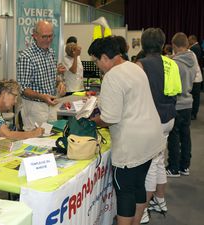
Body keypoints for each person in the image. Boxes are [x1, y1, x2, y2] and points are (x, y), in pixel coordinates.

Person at [88, 36, 164, 225]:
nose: (97, 65)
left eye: (96, 61)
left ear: (105, 57)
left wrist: (91, 121)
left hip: (132, 145)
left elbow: (109, 118)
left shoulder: (112, 76)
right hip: (151, 138)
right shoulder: (134, 67)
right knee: (138, 185)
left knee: (125, 192)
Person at [136, 28, 179, 224]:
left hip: (152, 120)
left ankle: (143, 209)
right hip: (169, 117)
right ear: (162, 44)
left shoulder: (141, 65)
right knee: (159, 159)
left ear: (143, 44)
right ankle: (160, 200)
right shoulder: (171, 63)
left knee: (150, 165)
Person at [17, 21, 66, 131]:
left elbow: (52, 77)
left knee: (51, 138)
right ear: (34, 35)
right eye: (44, 36)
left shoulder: (51, 52)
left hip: (51, 104)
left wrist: (60, 83)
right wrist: (42, 97)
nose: (48, 40)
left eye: (50, 36)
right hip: (35, 107)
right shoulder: (26, 57)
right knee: (36, 141)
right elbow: (23, 89)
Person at [0, 79, 44, 147]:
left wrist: (30, 133)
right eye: (14, 96)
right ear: (4, 93)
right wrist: (33, 134)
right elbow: (7, 135)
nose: (15, 101)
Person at [166, 32, 197, 177]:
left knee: (174, 137)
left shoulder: (175, 64)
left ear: (174, 46)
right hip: (188, 102)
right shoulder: (192, 60)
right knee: (186, 136)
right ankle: (185, 166)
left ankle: (173, 167)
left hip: (177, 104)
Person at [188, 35, 203, 120]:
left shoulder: (193, 50)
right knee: (195, 97)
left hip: (195, 78)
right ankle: (193, 113)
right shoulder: (196, 48)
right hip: (196, 77)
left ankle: (193, 114)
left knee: (195, 98)